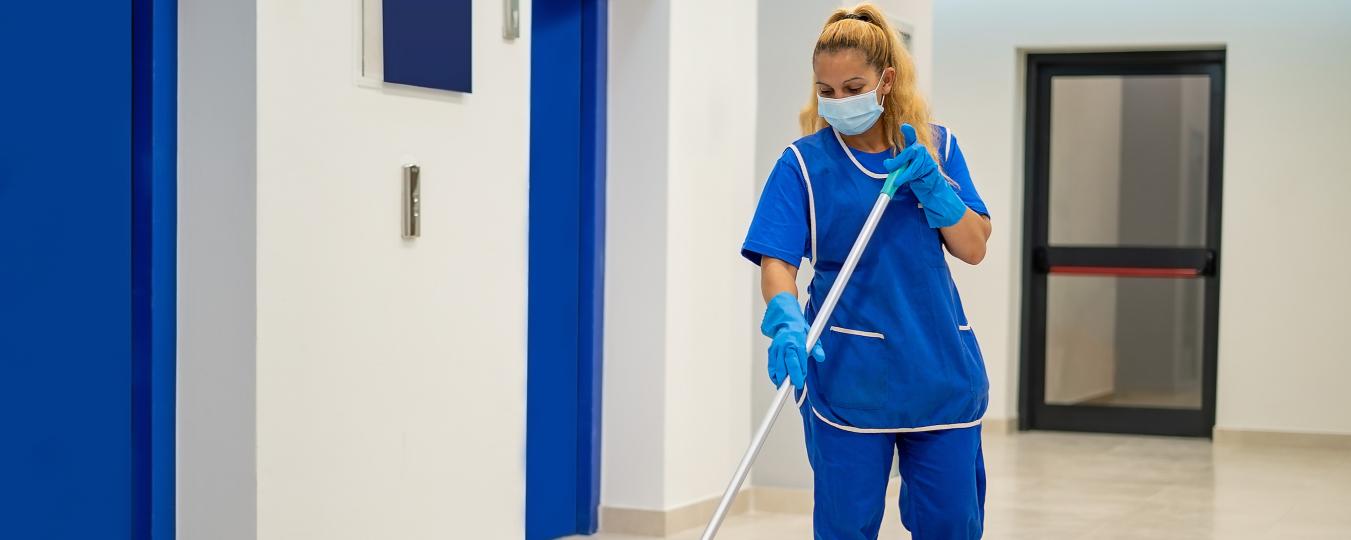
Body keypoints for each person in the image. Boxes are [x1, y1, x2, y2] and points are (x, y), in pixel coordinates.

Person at [740, 3, 993, 539]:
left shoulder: (937, 149)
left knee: (951, 524)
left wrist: (936, 193)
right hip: (849, 372)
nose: (838, 102)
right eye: (826, 91)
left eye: (852, 87)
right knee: (846, 526)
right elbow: (777, 261)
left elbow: (973, 247)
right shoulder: (803, 163)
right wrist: (785, 316)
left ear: (886, 81)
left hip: (939, 367)